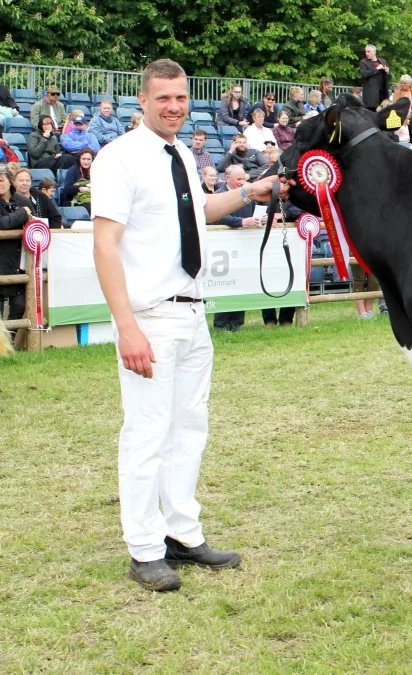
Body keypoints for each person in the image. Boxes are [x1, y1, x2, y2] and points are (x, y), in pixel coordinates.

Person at [91, 58, 278, 593]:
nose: (173, 106)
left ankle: (181, 532)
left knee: (189, 428)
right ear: (143, 101)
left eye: (180, 97)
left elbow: (198, 213)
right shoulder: (119, 159)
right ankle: (145, 548)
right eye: (163, 98)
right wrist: (126, 327)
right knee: (147, 432)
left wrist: (250, 192)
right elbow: (106, 246)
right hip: (150, 315)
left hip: (194, 311)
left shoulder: (181, 156)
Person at [0, 164, 32, 319]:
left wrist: (26, 216)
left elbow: (33, 223)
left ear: (10, 181)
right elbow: (0, 223)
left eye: (1, 181)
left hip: (19, 260)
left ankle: (10, 341)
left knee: (19, 305)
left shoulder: (22, 199)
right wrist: (22, 213)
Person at [359, 45, 391, 111]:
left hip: (382, 93)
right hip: (371, 95)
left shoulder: (383, 61)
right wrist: (376, 69)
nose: (366, 53)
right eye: (366, 52)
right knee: (371, 113)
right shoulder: (363, 62)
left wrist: (387, 72)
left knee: (383, 113)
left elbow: (389, 78)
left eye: (368, 51)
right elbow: (364, 74)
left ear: (374, 52)